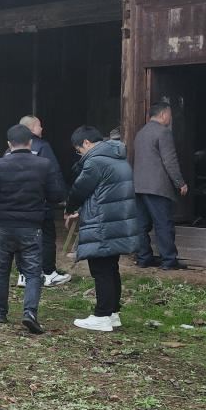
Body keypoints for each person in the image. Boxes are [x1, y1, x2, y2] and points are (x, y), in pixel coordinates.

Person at [0, 124, 67, 334]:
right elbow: (57, 195)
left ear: (9, 143)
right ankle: (29, 313)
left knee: (1, 270)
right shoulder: (43, 165)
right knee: (33, 272)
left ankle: (0, 312)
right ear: (30, 142)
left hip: (5, 226)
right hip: (31, 227)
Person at [64, 126, 140, 333]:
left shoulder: (96, 161)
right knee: (111, 267)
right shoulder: (118, 158)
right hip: (116, 220)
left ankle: (102, 315)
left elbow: (80, 189)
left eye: (78, 150)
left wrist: (70, 209)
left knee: (101, 270)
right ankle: (113, 313)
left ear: (86, 143)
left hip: (102, 222)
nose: (79, 154)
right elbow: (103, 192)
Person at [15, 115, 71, 288]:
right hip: (40, 203)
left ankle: (23, 275)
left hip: (17, 204)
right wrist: (62, 197)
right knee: (46, 238)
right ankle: (48, 274)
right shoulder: (42, 146)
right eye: (39, 125)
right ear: (31, 128)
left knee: (22, 239)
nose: (42, 129)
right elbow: (53, 174)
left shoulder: (11, 149)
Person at [132, 103, 188, 270]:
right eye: (170, 114)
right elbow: (170, 161)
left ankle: (144, 258)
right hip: (156, 187)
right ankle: (169, 261)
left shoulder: (141, 133)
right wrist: (180, 183)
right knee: (163, 223)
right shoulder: (163, 132)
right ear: (164, 114)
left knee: (141, 225)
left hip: (138, 186)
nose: (170, 118)